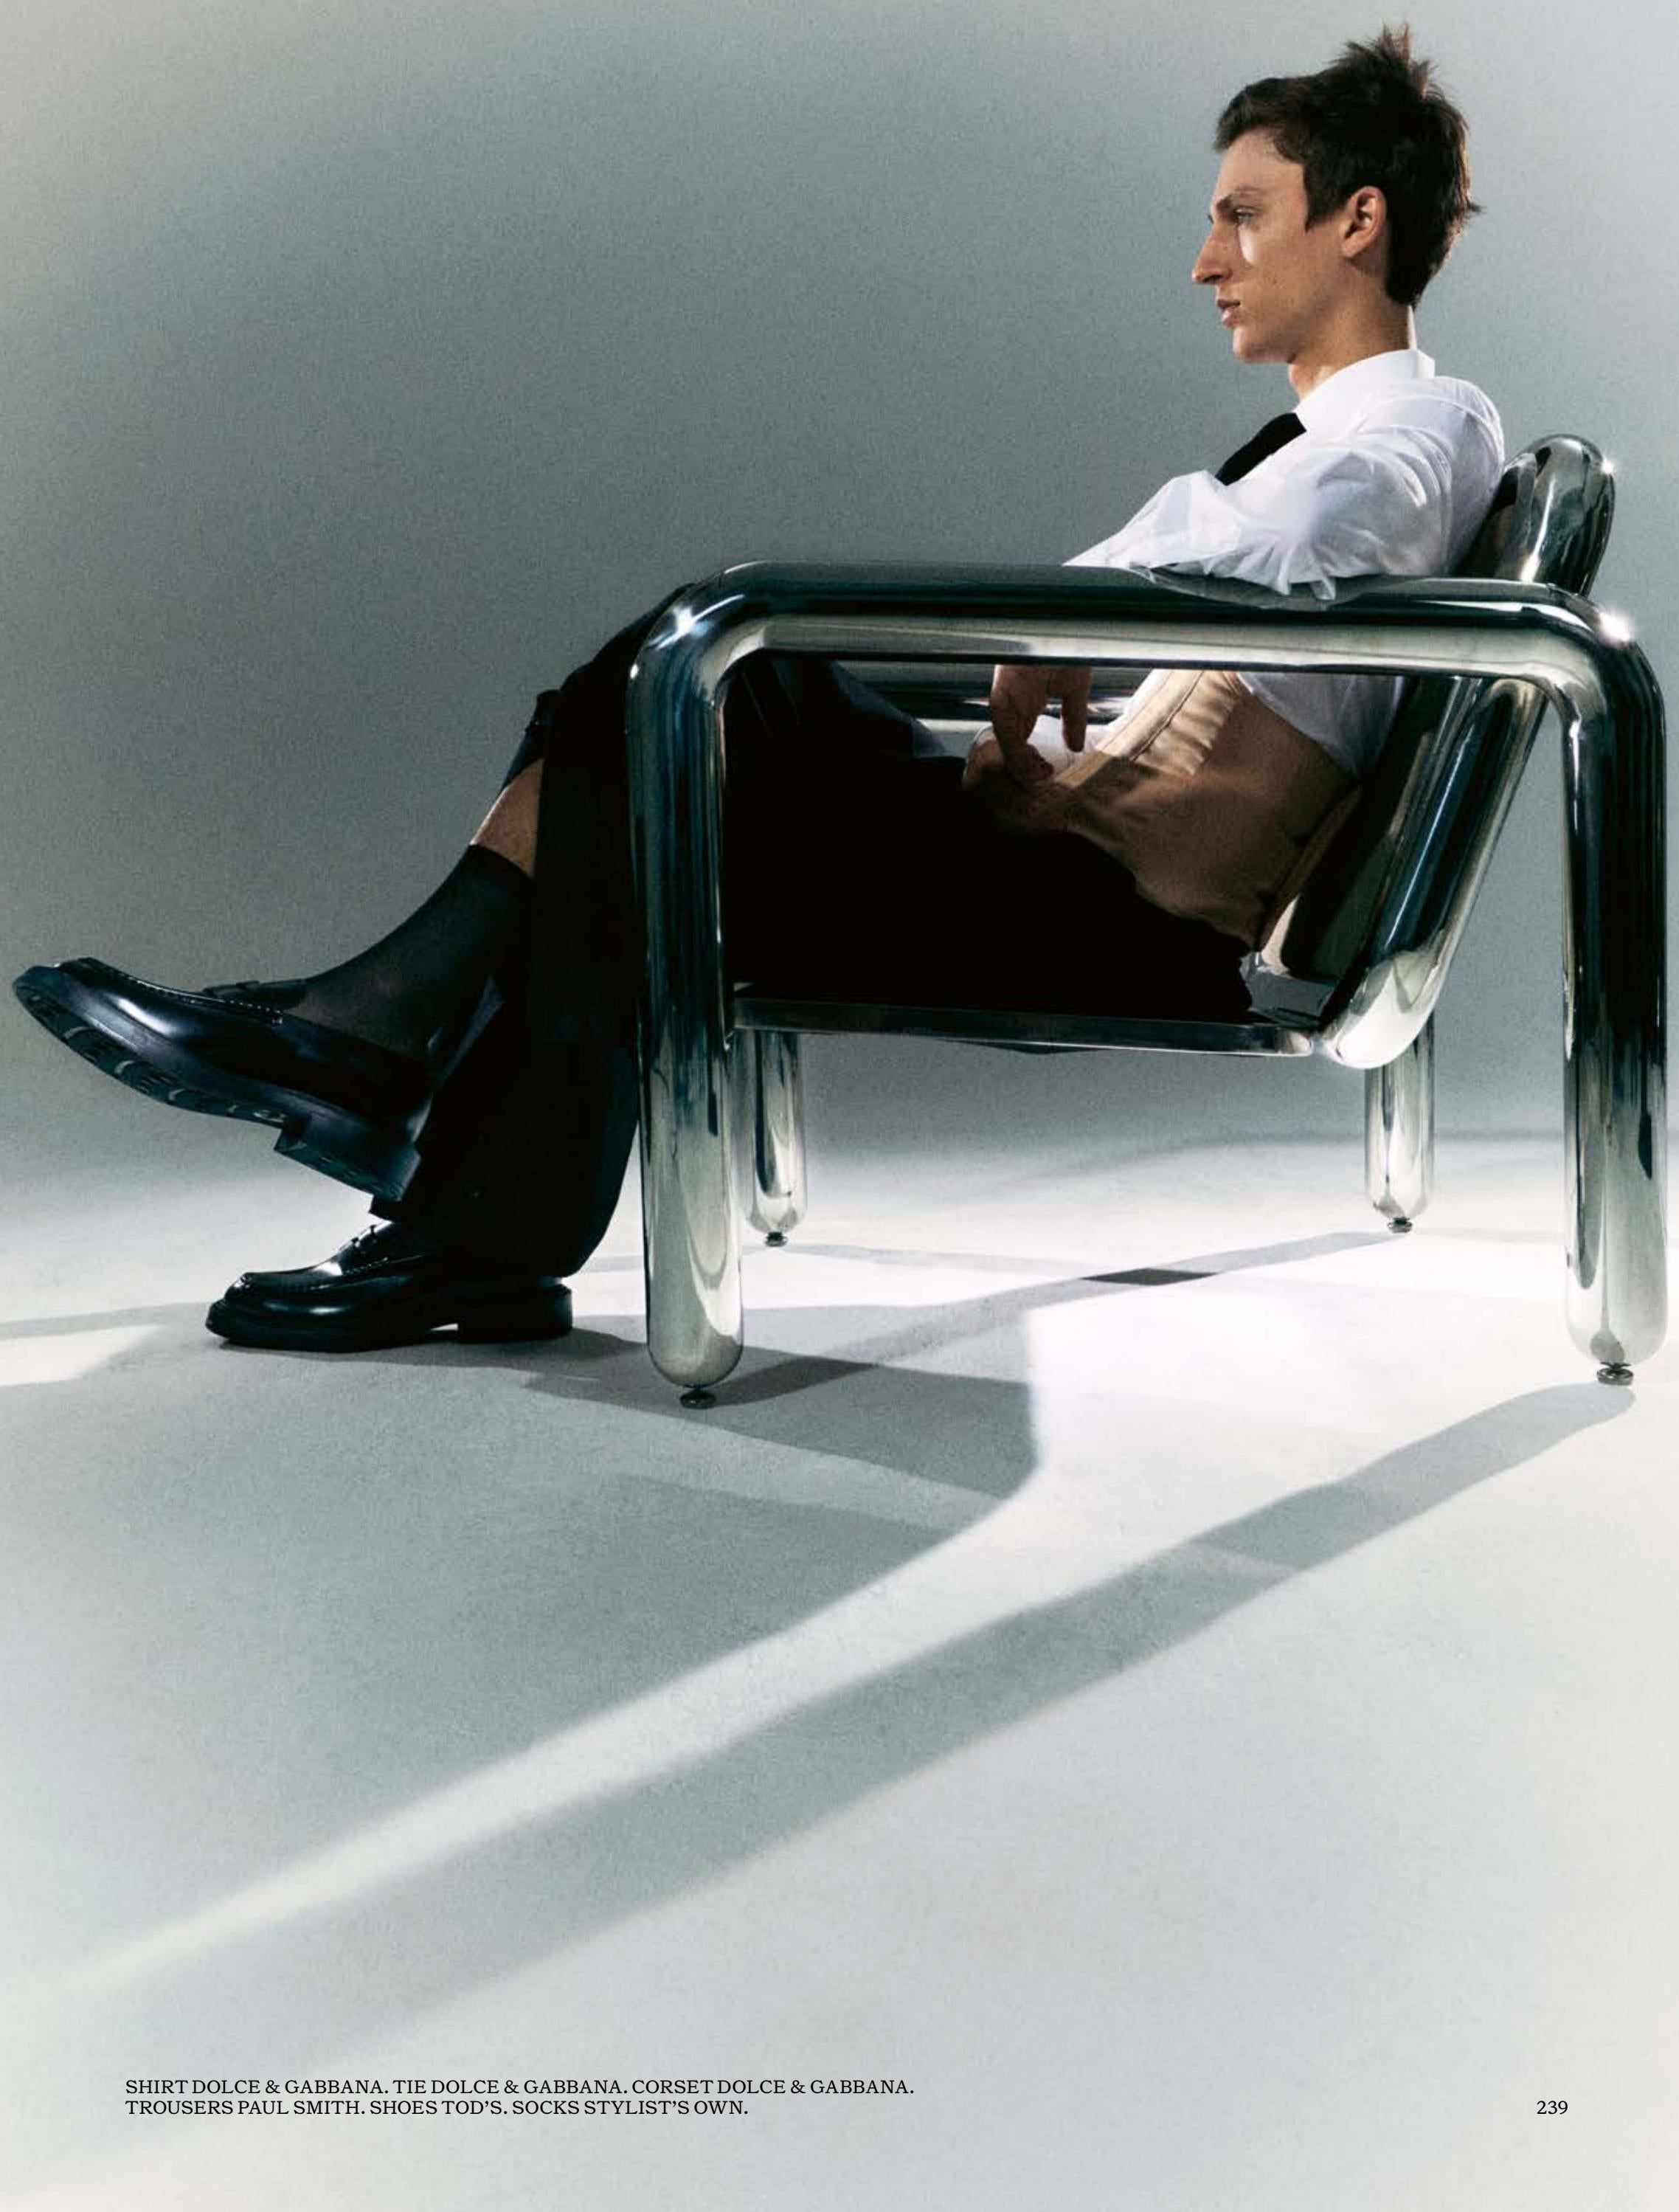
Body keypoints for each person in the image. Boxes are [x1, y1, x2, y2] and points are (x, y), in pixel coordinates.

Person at [13, 25, 1504, 1354]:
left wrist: (1072, 610)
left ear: (1356, 221)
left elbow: (1307, 535)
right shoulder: (1326, 449)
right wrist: (1072, 614)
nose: (1205, 260)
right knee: (687, 690)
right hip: (1049, 847)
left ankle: (414, 1105)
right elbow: (1269, 542)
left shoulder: (1421, 435)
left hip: (1111, 913)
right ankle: (418, 1109)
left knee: (671, 712)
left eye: (1241, 215)